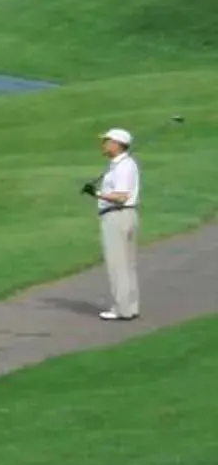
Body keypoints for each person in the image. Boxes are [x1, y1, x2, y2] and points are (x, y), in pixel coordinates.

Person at [91, 128, 141, 323]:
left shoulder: (123, 167)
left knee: (118, 264)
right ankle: (130, 307)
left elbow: (121, 197)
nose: (103, 144)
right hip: (126, 216)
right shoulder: (121, 165)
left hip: (117, 216)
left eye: (107, 141)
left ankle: (122, 309)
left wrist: (96, 194)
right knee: (127, 264)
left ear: (117, 144)